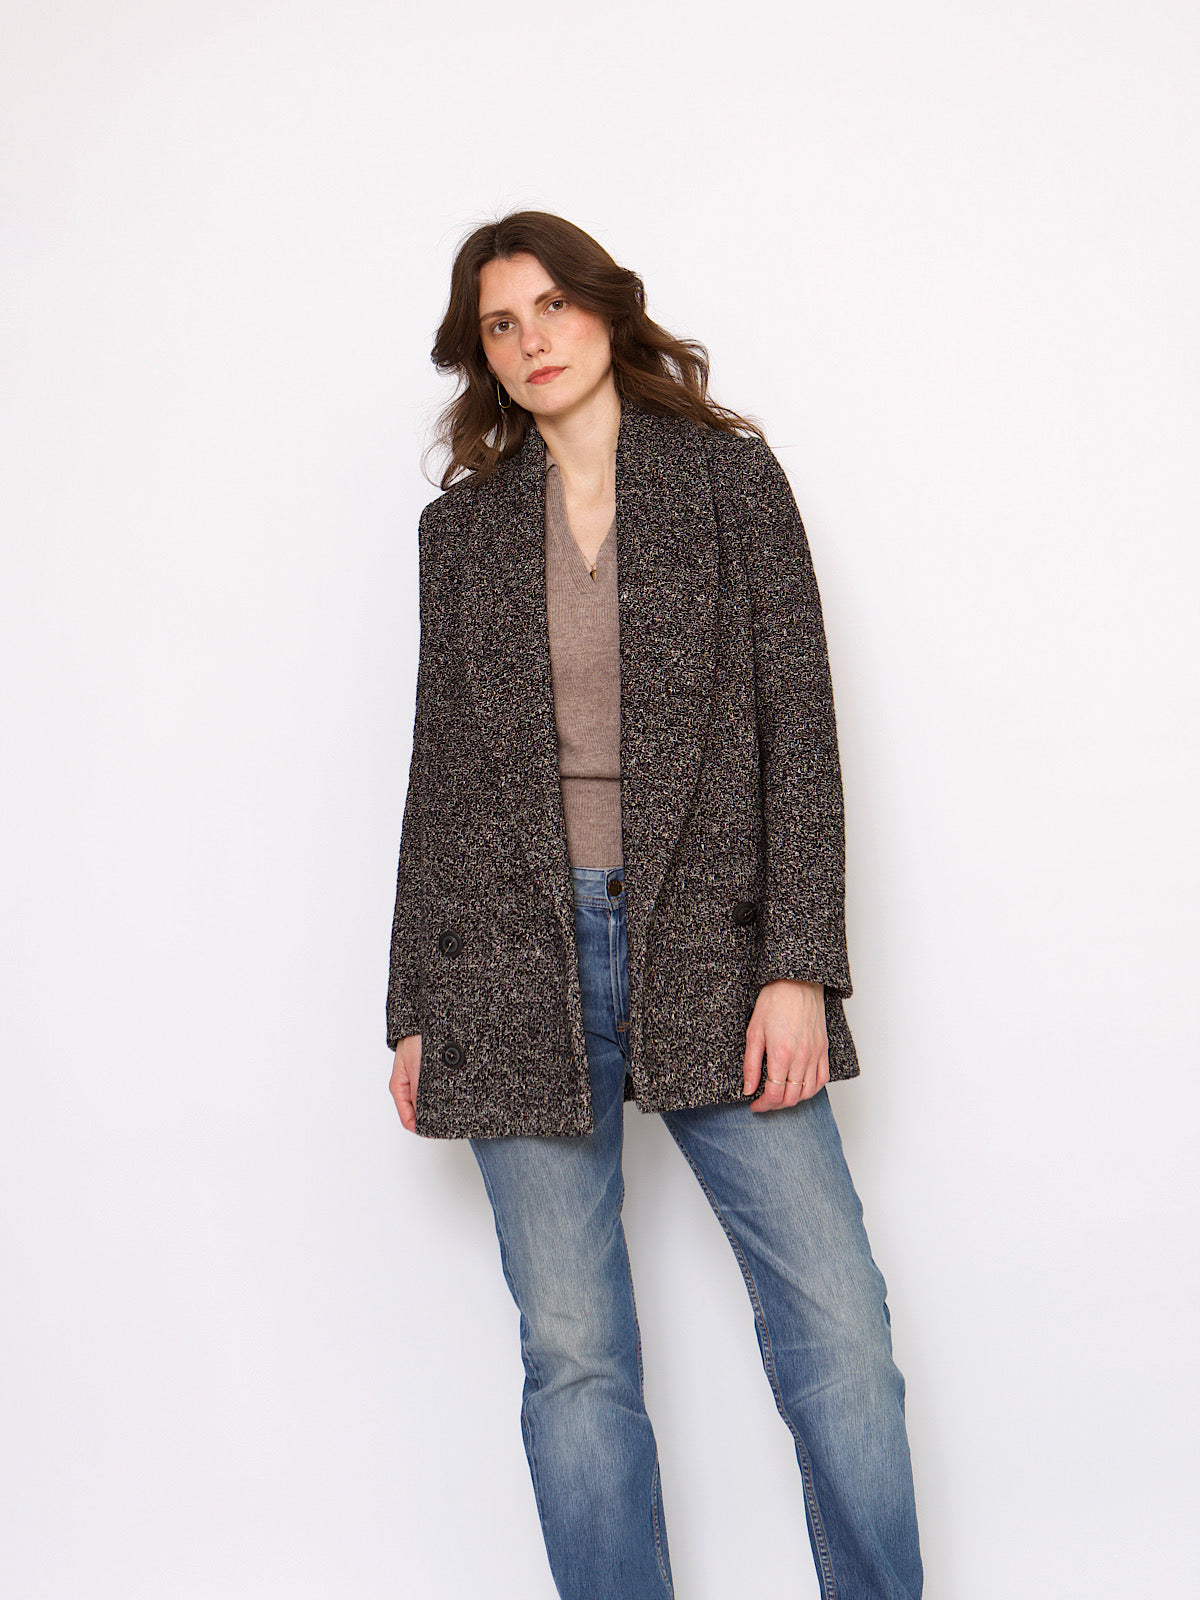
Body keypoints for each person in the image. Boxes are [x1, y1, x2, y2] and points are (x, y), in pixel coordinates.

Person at [386, 209, 923, 1600]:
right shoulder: (461, 536)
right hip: (511, 961)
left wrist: (799, 964)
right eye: (502, 325)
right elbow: (441, 775)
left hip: (716, 949)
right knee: (573, 1359)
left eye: (552, 307)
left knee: (839, 1330)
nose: (533, 340)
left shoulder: (730, 483)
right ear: (483, 354)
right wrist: (417, 1004)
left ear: (606, 310)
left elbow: (800, 733)